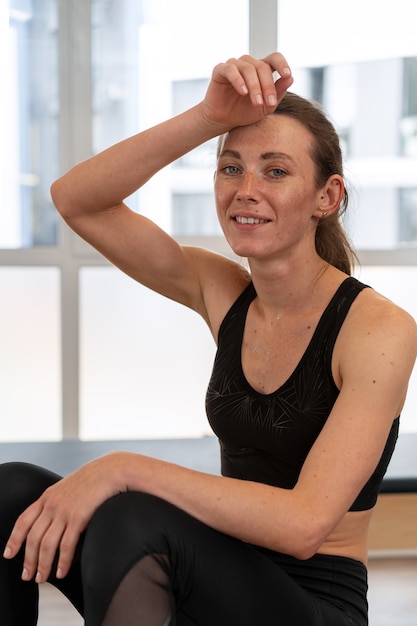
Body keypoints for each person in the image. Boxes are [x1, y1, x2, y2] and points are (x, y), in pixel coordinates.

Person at [1, 52, 416, 626]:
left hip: (314, 602)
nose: (246, 189)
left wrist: (124, 467)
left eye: (275, 171)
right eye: (230, 168)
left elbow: (304, 525)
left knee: (133, 517)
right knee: (11, 490)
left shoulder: (378, 329)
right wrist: (206, 117)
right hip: (218, 570)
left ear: (328, 196)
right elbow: (77, 199)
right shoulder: (222, 290)